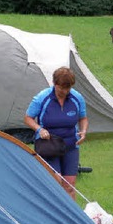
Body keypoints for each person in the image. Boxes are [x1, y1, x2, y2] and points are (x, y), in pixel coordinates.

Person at [24, 67, 89, 200]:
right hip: (48, 145)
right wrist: (39, 129)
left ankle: (71, 219)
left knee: (69, 185)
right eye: (61, 88)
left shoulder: (77, 98)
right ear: (54, 84)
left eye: (68, 88)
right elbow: (28, 118)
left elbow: (83, 118)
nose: (65, 92)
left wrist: (83, 131)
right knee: (56, 182)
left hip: (71, 145)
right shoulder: (42, 98)